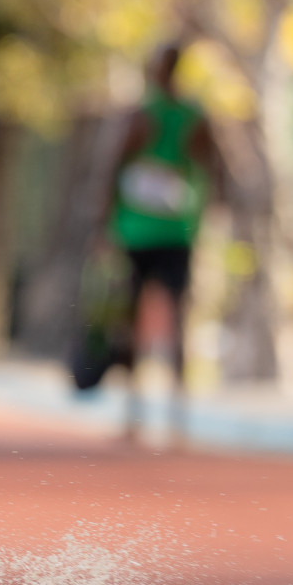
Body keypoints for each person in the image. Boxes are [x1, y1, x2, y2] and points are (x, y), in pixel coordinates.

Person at [103, 43, 218, 443]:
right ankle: (175, 420)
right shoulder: (193, 117)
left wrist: (104, 226)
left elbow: (114, 167)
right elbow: (210, 167)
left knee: (133, 321)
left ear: (156, 70)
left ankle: (134, 418)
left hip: (138, 231)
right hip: (175, 231)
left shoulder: (142, 115)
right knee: (175, 320)